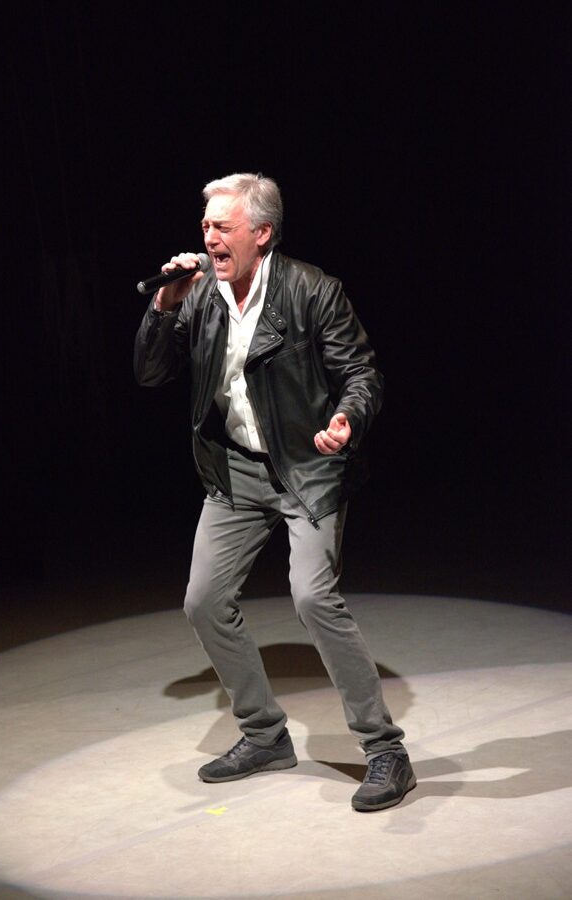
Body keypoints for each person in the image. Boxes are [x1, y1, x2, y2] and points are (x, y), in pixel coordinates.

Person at [134, 173, 415, 811]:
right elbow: (150, 373)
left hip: (307, 466)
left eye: (222, 227)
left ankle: (385, 751)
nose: (209, 237)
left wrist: (346, 419)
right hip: (234, 470)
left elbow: (361, 372)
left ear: (261, 233)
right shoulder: (200, 297)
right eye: (205, 226)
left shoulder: (312, 290)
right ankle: (264, 735)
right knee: (204, 601)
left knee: (312, 596)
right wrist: (166, 304)